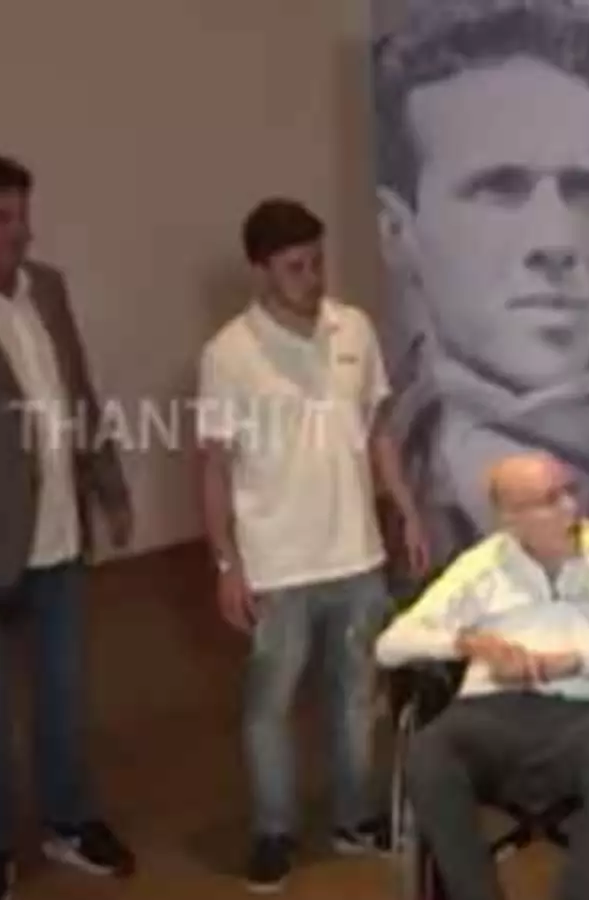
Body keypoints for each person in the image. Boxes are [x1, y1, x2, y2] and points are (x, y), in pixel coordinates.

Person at [196, 198, 429, 892]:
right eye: (294, 266)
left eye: (317, 261)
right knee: (270, 703)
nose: (311, 276)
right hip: (276, 563)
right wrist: (225, 562)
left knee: (356, 695)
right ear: (261, 270)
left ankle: (355, 817)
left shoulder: (352, 328)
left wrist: (407, 510)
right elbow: (213, 466)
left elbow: (378, 432)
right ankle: (274, 830)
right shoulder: (229, 353)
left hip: (357, 553)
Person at [0, 151, 136, 900]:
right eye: (3, 217)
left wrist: (109, 488)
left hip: (60, 536)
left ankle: (70, 821)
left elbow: (79, 392)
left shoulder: (47, 288)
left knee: (64, 696)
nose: (22, 231)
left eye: (22, 214)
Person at [374, 0, 589, 545]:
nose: (556, 241)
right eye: (500, 189)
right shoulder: (413, 471)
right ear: (397, 232)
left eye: (583, 190)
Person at [376, 451, 589, 900]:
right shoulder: (481, 565)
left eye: (570, 491)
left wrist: (581, 659)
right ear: (510, 517)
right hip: (488, 710)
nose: (571, 507)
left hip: (585, 713)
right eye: (550, 499)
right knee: (429, 753)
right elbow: (390, 644)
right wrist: (469, 644)